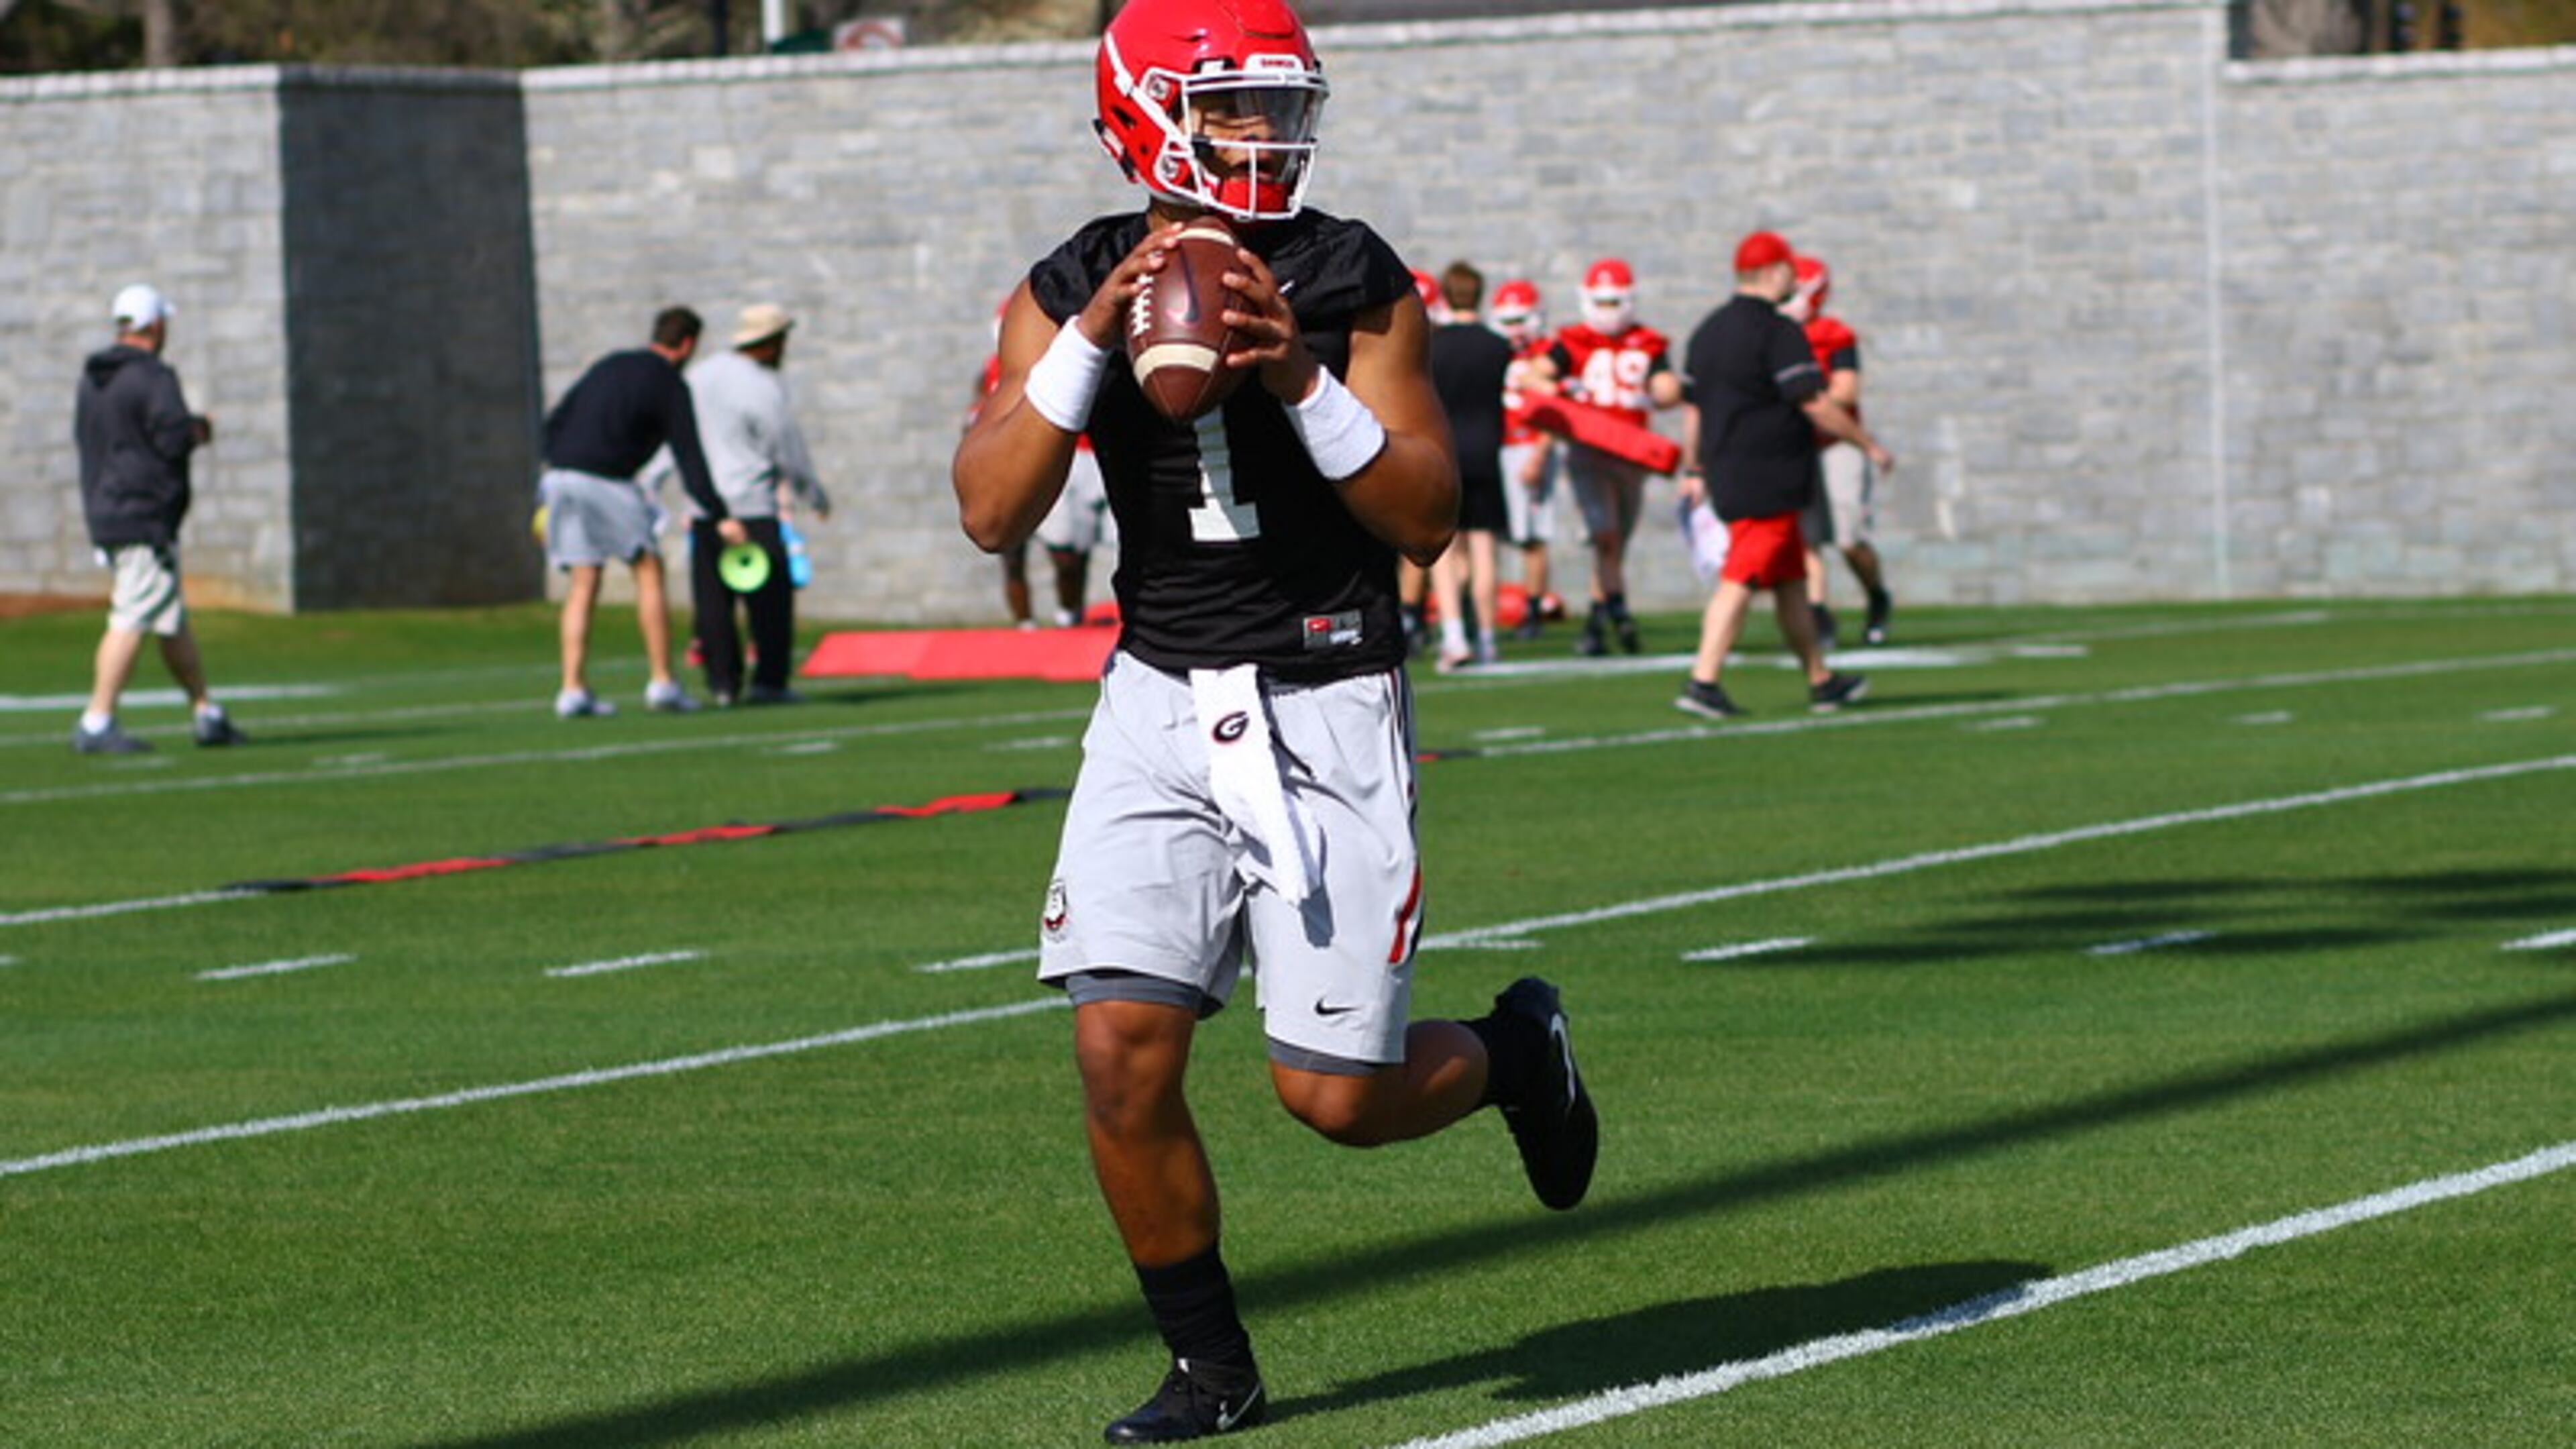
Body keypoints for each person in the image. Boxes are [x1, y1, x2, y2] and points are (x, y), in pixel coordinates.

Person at [950, 1, 1597, 1438]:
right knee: (1119, 1050)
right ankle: (1213, 1368)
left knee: (1338, 1099)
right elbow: (993, 506)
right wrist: (1095, 340)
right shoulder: (1065, 284)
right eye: (1233, 108)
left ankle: (1514, 1053)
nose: (1266, 136)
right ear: (1145, 113)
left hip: (1326, 695)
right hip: (1159, 693)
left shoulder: (1356, 276)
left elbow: (1429, 520)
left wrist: (1295, 371)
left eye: (1277, 106)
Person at [1674, 231, 1890, 720]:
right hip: (1766, 474)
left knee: (1791, 579)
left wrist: (1694, 467)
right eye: (1789, 268)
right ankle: (1703, 679)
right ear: (1773, 272)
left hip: (1729, 468)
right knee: (1743, 575)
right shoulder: (1777, 331)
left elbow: (1693, 411)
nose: (1795, 277)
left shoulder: (1708, 330)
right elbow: (1813, 402)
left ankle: (1821, 678)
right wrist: (1867, 443)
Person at [69, 283, 246, 755]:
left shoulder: (94, 379)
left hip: (108, 509)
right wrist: (199, 428)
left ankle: (206, 712)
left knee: (170, 620)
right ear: (154, 326)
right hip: (142, 515)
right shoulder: (153, 377)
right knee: (132, 615)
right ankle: (97, 719)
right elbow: (171, 437)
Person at [1525, 257, 1684, 656]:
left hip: (1632, 453)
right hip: (1589, 450)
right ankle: (1619, 615)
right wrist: (1561, 390)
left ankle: (1599, 617)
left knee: (1615, 543)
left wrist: (1663, 388)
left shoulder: (1646, 342)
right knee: (1606, 534)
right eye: (1602, 301)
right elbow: (1533, 374)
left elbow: (1667, 390)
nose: (1609, 310)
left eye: (1616, 301)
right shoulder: (1573, 340)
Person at [677, 304, 831, 706]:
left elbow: (675, 435)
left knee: (713, 602)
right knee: (770, 599)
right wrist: (812, 491)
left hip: (706, 507)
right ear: (768, 344)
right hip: (752, 504)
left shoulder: (699, 376)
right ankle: (770, 682)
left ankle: (723, 684)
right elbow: (785, 443)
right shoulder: (762, 384)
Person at [1784, 253, 1896, 649]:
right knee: (1807, 537)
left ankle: (1877, 595)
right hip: (1793, 444)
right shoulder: (1776, 333)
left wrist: (1804, 402)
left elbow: (1845, 392)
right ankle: (1818, 614)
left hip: (1837, 441)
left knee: (1848, 537)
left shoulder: (1834, 334)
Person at [1426, 260, 1515, 670]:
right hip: (1487, 450)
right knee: (1484, 551)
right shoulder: (1498, 345)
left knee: (1447, 552)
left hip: (1447, 452)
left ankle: (1455, 636)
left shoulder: (1434, 344)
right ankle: (1487, 638)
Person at [1491, 277, 1566, 639]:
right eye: (1508, 322)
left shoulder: (1546, 355)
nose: (1515, 330)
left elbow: (1555, 408)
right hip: (1500, 446)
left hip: (1528, 446)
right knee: (1500, 534)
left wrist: (1540, 451)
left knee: (1532, 536)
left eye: (1521, 320)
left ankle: (1534, 609)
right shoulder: (1496, 352)